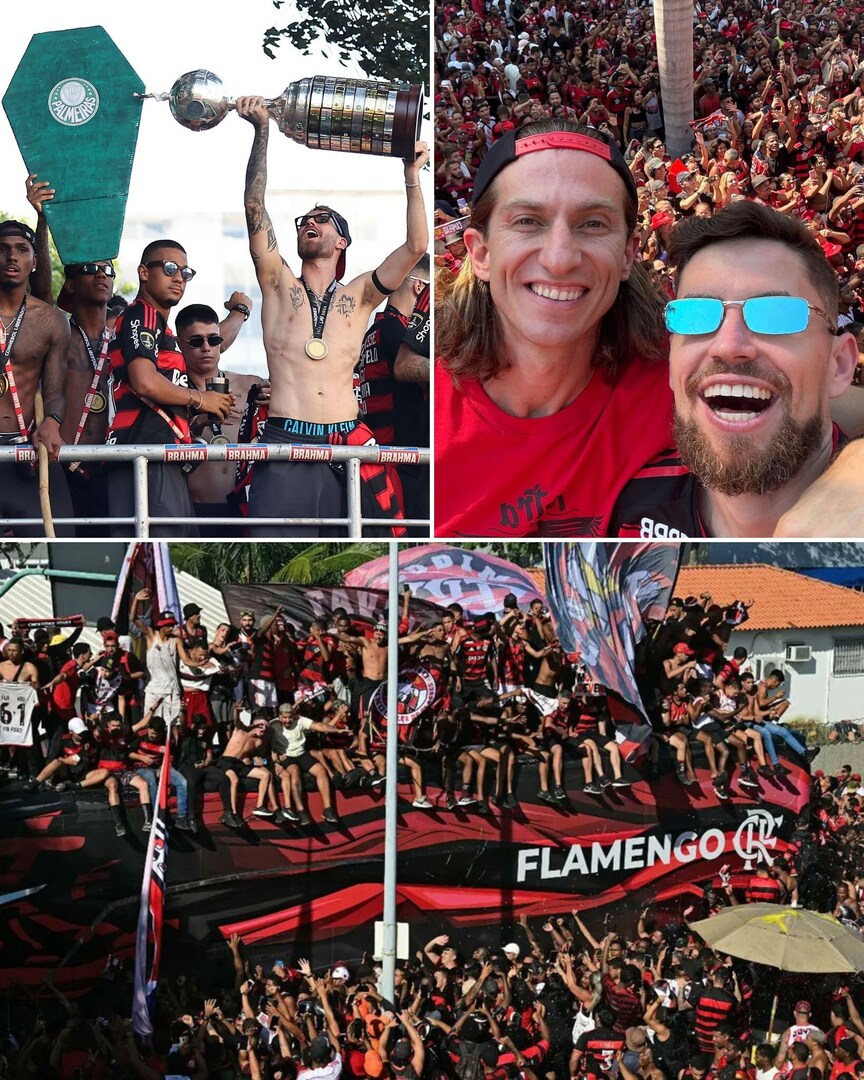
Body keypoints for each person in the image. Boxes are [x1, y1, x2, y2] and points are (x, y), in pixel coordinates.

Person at [434, 121, 674, 537]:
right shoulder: (424, 408)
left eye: (593, 224)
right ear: (481, 253)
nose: (560, 259)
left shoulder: (681, 379)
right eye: (528, 221)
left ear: (627, 255)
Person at [235, 93, 429, 536]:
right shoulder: (278, 284)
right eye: (305, 219)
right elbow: (253, 209)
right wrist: (262, 131)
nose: (309, 222)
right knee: (277, 544)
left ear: (341, 241)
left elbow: (416, 246)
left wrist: (411, 177)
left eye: (321, 219)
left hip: (348, 443)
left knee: (362, 544)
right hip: (287, 438)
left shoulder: (359, 295)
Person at [610, 202, 860, 537]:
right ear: (670, 364)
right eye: (695, 316)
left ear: (838, 365)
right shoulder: (630, 508)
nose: (728, 345)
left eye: (776, 315)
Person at [104, 239, 234, 536]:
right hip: (146, 453)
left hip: (157, 453)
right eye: (170, 268)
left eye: (185, 273)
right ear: (143, 272)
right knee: (161, 547)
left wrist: (197, 418)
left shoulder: (158, 324)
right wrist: (200, 399)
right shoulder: (143, 314)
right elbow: (144, 381)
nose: (179, 278)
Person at [0, 219, 74, 535]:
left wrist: (53, 421)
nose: (11, 257)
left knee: (60, 540)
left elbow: (55, 389)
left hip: (26, 448)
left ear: (34, 261)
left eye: (21, 249)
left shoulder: (51, 321)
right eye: (2, 249)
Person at [174, 300, 269, 533]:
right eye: (196, 342)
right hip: (195, 509)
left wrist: (275, 399)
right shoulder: (174, 391)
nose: (207, 348)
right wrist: (199, 422)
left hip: (245, 505)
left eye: (214, 340)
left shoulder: (249, 385)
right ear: (180, 344)